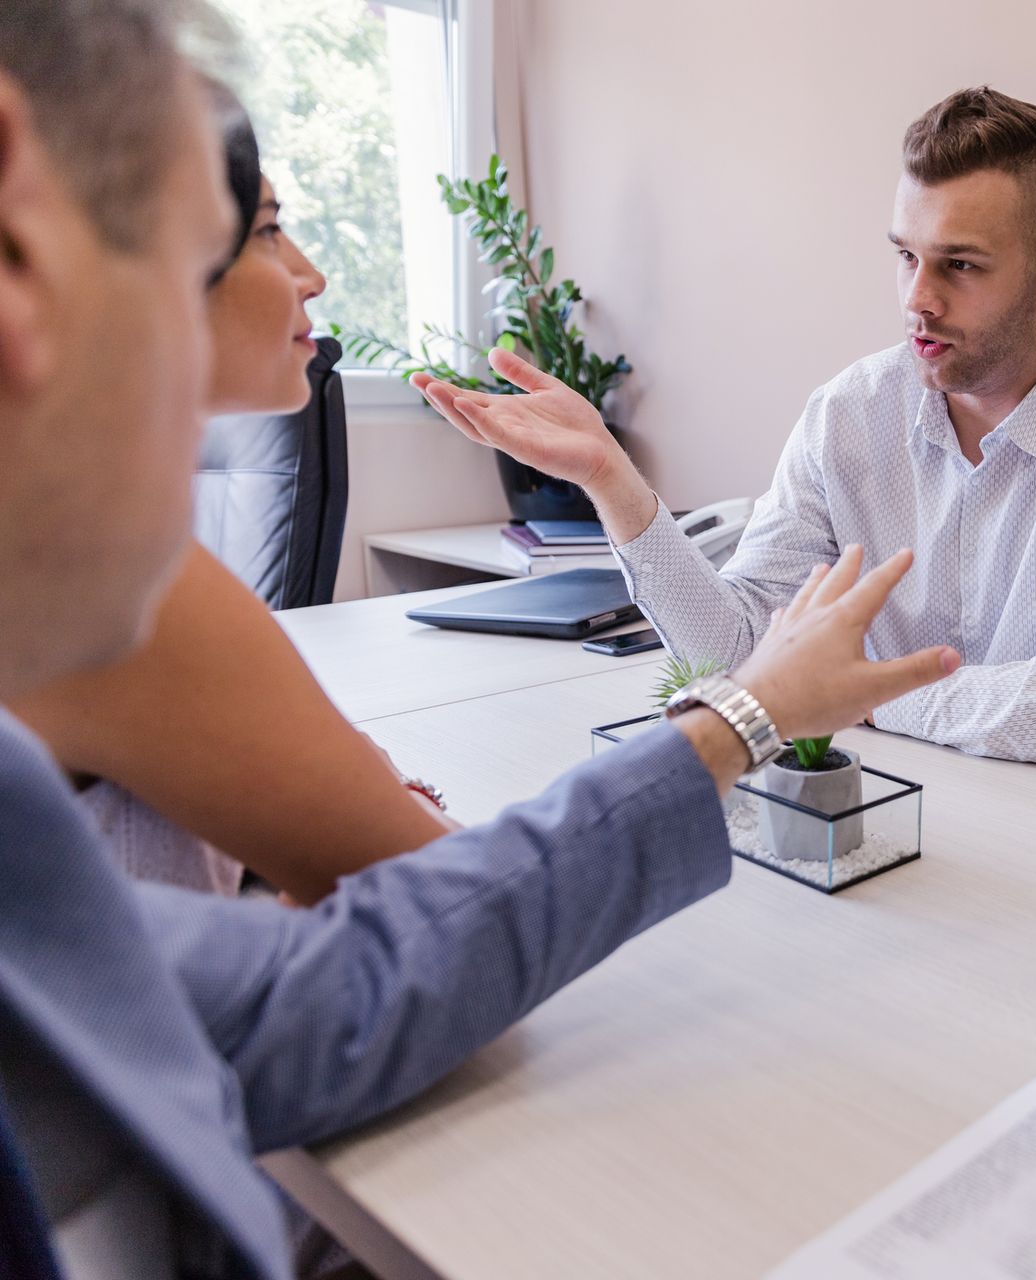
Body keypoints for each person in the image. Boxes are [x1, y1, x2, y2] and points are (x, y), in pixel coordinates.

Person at [0, 5, 957, 1275]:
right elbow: (387, 950)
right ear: (24, 254)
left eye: (957, 264)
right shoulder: (851, 411)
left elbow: (308, 988)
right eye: (216, 242)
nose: (309, 279)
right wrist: (745, 699)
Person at [411, 86, 1036, 776]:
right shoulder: (848, 411)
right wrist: (611, 481)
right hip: (874, 814)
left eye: (960, 265)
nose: (917, 299)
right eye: (904, 256)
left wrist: (853, 695)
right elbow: (738, 649)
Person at [9, 87, 458, 904]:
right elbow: (456, 897)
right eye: (266, 231)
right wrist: (735, 723)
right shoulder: (105, 578)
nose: (313, 277)